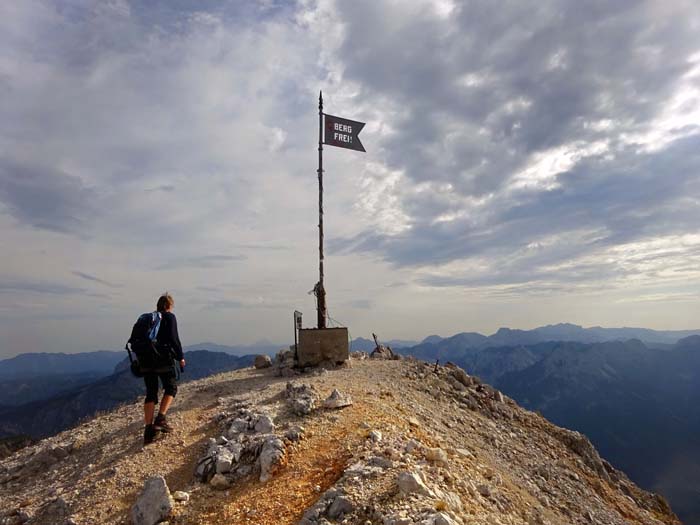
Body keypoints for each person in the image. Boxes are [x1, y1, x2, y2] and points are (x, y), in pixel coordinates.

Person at [142, 292, 186, 445]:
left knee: (151, 393)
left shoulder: (148, 319)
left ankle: (148, 430)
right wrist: (180, 357)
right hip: (162, 360)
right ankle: (160, 418)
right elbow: (174, 339)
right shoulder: (169, 317)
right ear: (169, 306)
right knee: (171, 387)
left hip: (145, 360)